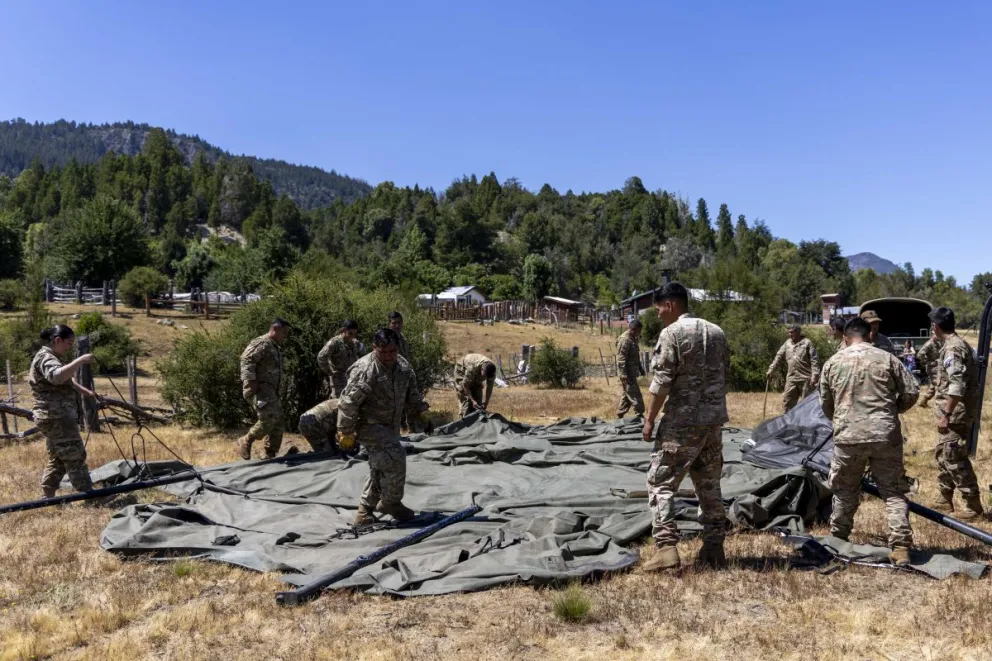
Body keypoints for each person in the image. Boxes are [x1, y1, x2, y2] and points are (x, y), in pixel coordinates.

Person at [641, 283, 730, 572]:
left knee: (660, 482)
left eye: (658, 309)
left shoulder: (672, 334)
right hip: (712, 421)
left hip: (682, 423)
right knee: (709, 483)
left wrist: (649, 419)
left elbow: (662, 383)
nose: (657, 315)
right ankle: (714, 548)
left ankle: (666, 549)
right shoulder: (716, 332)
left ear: (670, 304)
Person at [818, 317, 919, 566]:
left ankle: (838, 538)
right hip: (885, 434)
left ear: (845, 337)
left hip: (848, 436)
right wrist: (892, 410)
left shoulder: (833, 362)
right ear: (870, 335)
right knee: (893, 492)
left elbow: (825, 403)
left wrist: (843, 419)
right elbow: (912, 392)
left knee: (844, 491)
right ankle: (900, 547)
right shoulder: (887, 359)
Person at [337, 328, 429, 525]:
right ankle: (390, 502)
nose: (388, 356)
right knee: (395, 457)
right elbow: (348, 403)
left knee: (380, 466)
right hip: (369, 426)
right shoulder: (365, 370)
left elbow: (411, 392)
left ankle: (364, 512)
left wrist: (420, 410)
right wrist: (345, 431)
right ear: (374, 348)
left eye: (392, 351)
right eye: (383, 352)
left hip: (390, 427)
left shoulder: (402, 366)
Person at [31, 324, 100, 498]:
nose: (70, 347)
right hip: (56, 417)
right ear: (57, 340)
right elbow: (56, 376)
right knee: (74, 454)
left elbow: (65, 379)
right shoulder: (46, 358)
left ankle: (47, 495)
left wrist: (87, 392)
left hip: (52, 416)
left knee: (59, 456)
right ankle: (90, 495)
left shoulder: (52, 356)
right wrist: (80, 360)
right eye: (69, 343)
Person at [928, 307, 984, 518]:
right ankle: (944, 497)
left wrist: (946, 414)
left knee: (953, 457)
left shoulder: (953, 349)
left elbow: (957, 385)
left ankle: (973, 504)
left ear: (936, 326)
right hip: (956, 413)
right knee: (944, 454)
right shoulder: (957, 345)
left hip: (955, 415)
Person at [237, 319, 291, 460]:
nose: (285, 336)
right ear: (275, 329)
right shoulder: (262, 343)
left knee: (278, 422)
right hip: (259, 389)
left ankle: (270, 454)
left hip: (270, 391)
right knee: (268, 418)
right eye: (284, 332)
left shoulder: (275, 346)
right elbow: (247, 360)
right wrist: (251, 381)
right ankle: (246, 440)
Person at [766, 325, 820, 413]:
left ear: (798, 332)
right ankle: (787, 422)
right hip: (791, 378)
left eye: (792, 332)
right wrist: (771, 369)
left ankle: (806, 424)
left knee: (807, 404)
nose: (789, 334)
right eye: (789, 332)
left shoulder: (807, 343)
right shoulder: (787, 343)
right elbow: (778, 356)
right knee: (787, 402)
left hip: (805, 378)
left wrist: (815, 375)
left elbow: (814, 360)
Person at [318, 320, 360, 398]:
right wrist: (329, 371)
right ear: (344, 330)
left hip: (351, 377)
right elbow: (321, 356)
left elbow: (361, 356)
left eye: (355, 334)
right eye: (350, 333)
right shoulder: (335, 343)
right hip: (338, 378)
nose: (353, 336)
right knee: (337, 401)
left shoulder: (354, 343)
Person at [616, 318, 646, 418]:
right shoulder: (625, 339)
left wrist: (641, 368)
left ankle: (619, 415)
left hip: (632, 372)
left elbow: (635, 357)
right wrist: (623, 374)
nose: (639, 333)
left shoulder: (633, 339)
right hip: (627, 374)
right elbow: (621, 358)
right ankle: (639, 414)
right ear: (634, 329)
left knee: (627, 395)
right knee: (636, 395)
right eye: (639, 331)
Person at [454, 353, 496, 418]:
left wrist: (486, 402)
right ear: (482, 370)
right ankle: (464, 423)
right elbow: (465, 386)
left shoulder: (492, 370)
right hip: (462, 370)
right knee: (466, 400)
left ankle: (477, 421)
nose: (486, 378)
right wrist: (472, 400)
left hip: (476, 374)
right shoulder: (471, 368)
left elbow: (489, 388)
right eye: (485, 376)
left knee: (478, 398)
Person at [916, 335, 944, 408]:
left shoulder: (939, 343)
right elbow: (920, 355)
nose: (938, 337)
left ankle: (924, 401)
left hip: (938, 367)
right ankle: (938, 404)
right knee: (937, 385)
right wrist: (928, 362)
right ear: (933, 335)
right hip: (932, 368)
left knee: (934, 385)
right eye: (937, 336)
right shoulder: (929, 344)